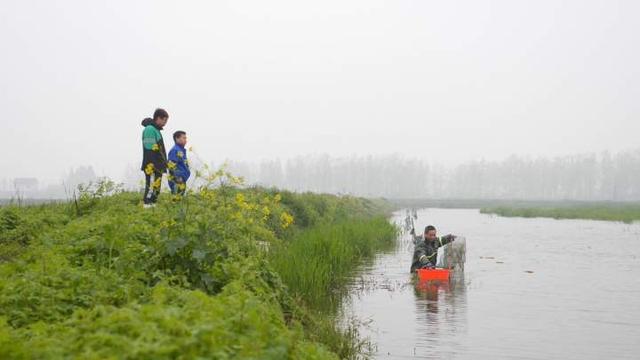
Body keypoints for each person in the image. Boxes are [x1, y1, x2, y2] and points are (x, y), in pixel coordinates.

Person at [141, 108, 168, 207]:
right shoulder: (149, 129)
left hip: (158, 166)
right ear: (158, 118)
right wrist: (152, 166)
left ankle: (152, 208)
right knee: (151, 188)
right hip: (152, 166)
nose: (165, 123)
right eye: (164, 120)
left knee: (156, 189)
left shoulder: (156, 130)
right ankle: (147, 207)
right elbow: (149, 149)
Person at [167, 130, 191, 196]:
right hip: (178, 180)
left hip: (182, 179)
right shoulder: (175, 150)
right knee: (176, 199)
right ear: (177, 138)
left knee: (180, 199)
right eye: (183, 138)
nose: (185, 140)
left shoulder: (181, 150)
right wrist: (177, 178)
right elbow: (171, 165)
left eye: (186, 138)